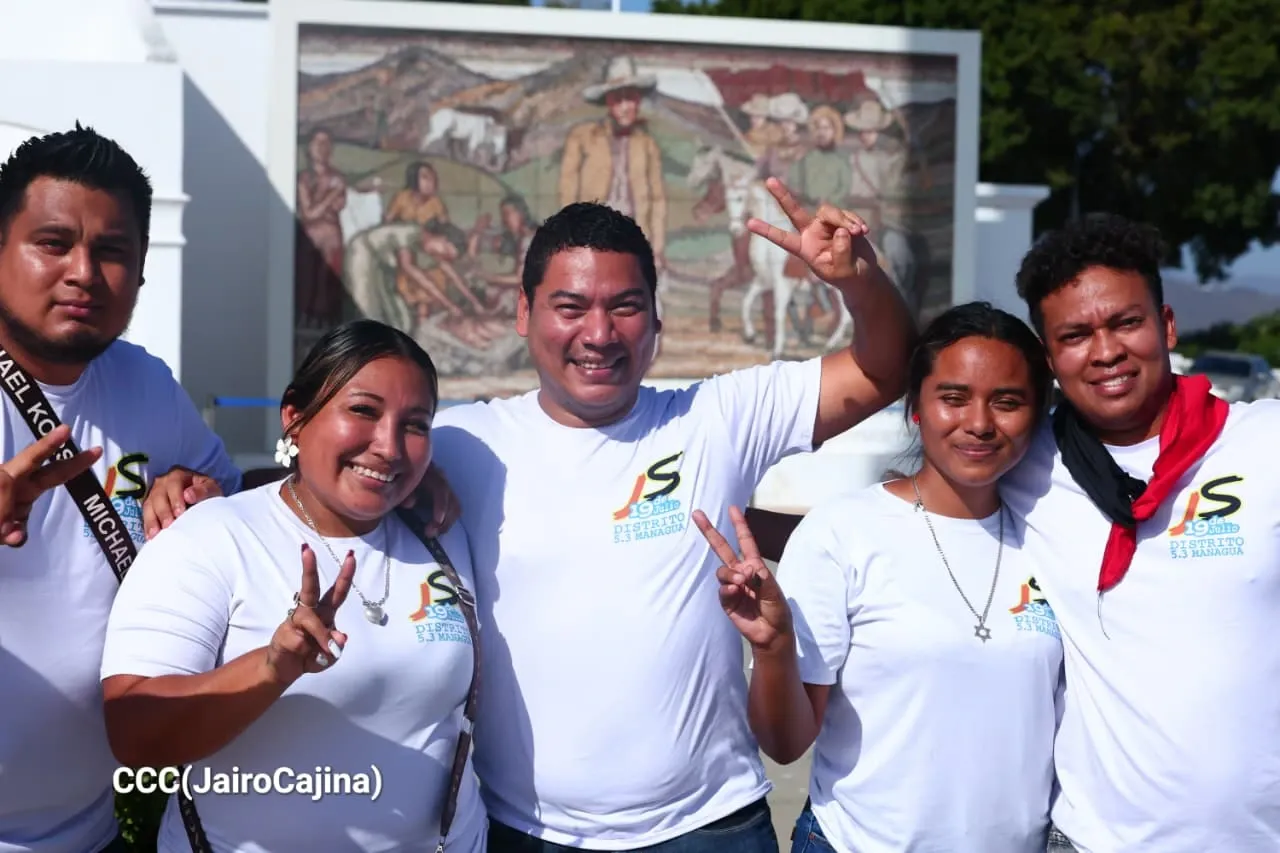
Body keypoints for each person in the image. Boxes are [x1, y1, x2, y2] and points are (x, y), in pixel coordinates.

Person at [428, 183, 916, 852]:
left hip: (710, 826)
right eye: (570, 307)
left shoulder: (716, 419)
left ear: (657, 319)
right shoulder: (459, 444)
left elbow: (884, 369)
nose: (598, 334)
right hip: (526, 832)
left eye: (625, 307)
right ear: (524, 311)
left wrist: (858, 283)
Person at [99, 319, 486, 853]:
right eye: (363, 411)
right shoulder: (211, 538)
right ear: (295, 417)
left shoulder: (443, 535)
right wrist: (270, 668)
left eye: (415, 425)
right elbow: (134, 731)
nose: (389, 446)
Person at [693, 301, 1063, 853]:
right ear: (916, 407)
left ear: (1037, 415)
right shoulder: (841, 533)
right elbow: (786, 743)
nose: (980, 423)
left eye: (1007, 402)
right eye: (953, 398)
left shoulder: (1056, 539)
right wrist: (773, 648)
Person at [998, 214, 1280, 852]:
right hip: (1095, 841)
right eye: (1075, 334)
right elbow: (903, 514)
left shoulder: (1265, 441)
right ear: (1048, 359)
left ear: (1167, 325)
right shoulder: (1019, 464)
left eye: (1126, 322)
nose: (1105, 351)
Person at [0, 124, 243, 853]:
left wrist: (187, 485)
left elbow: (229, 508)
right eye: (53, 242)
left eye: (112, 252)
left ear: (140, 275)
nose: (83, 272)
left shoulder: (145, 383)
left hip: (94, 828)